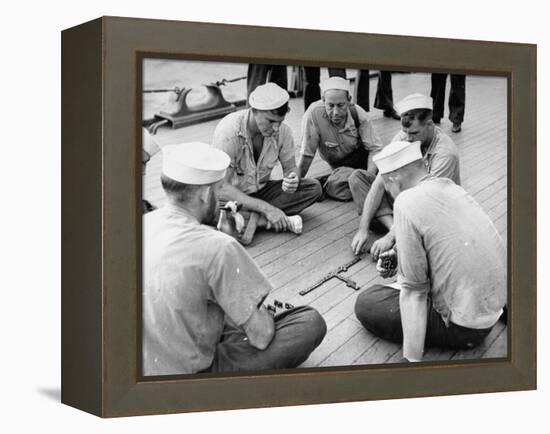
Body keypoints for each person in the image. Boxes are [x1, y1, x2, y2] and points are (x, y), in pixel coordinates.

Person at [142, 142, 326, 375]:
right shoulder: (219, 247)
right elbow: (261, 337)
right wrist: (263, 314)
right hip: (188, 372)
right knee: (309, 322)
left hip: (144, 364)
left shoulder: (141, 224)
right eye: (219, 190)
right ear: (206, 193)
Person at [354, 140, 506, 362]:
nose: (390, 193)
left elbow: (414, 293)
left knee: (367, 302)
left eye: (388, 188)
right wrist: (399, 257)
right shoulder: (451, 188)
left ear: (392, 180)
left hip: (465, 329)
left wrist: (411, 362)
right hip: (492, 309)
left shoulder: (405, 201)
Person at [351, 93, 461, 259]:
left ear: (430, 124)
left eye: (414, 133)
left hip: (431, 210)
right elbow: (380, 182)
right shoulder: (405, 136)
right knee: (358, 178)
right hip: (405, 204)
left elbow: (425, 204)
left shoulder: (445, 153)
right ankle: (397, 228)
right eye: (405, 132)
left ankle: (398, 232)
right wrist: (362, 230)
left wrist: (389, 238)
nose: (408, 139)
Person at [212, 82, 322, 243]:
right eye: (270, 121)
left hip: (260, 192)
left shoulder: (284, 131)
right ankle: (264, 220)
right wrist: (267, 209)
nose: (276, 128)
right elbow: (222, 187)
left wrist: (292, 179)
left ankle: (244, 221)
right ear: (254, 110)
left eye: (280, 121)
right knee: (211, 207)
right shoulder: (228, 132)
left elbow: (291, 168)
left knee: (313, 188)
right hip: (231, 196)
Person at [297, 76, 383, 207]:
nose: (335, 112)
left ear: (349, 101)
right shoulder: (313, 114)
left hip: (366, 162)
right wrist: (298, 184)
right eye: (330, 106)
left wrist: (367, 178)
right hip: (340, 168)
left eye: (341, 105)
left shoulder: (359, 114)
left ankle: (336, 183)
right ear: (323, 100)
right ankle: (332, 182)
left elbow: (375, 150)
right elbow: (307, 154)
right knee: (347, 183)